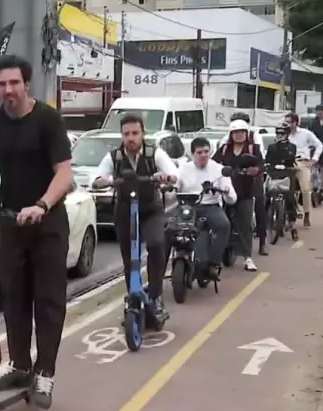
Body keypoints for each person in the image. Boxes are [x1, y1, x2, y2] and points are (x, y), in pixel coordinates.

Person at [0, 54, 74, 410]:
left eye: (14, 83)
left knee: (48, 301)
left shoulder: (47, 120)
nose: (8, 90)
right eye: (2, 84)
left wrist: (42, 205)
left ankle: (44, 373)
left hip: (47, 222)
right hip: (10, 222)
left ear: (26, 84)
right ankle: (20, 366)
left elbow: (64, 174)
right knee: (13, 297)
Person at [91, 114, 178, 321]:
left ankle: (155, 295)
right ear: (121, 135)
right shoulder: (114, 157)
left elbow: (174, 173)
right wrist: (103, 181)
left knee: (157, 244)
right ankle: (133, 298)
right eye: (126, 134)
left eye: (135, 133)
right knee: (130, 258)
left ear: (143, 133)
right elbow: (96, 178)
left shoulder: (154, 154)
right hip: (124, 212)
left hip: (150, 210)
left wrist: (166, 177)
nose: (130, 138)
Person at [177, 137, 237, 279]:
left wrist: (225, 190)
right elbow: (175, 185)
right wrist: (169, 187)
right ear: (193, 154)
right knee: (168, 228)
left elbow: (232, 198)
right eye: (199, 152)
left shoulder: (218, 169)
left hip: (211, 206)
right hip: (189, 207)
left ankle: (213, 264)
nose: (203, 155)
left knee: (224, 225)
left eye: (206, 152)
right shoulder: (184, 169)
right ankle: (163, 266)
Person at [212, 119, 264, 271]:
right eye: (235, 132)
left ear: (246, 133)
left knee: (245, 224)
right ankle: (215, 256)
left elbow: (261, 164)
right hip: (225, 191)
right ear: (231, 134)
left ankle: (248, 258)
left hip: (244, 192)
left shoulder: (252, 148)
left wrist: (255, 170)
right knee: (220, 224)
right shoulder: (224, 149)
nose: (239, 135)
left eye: (242, 132)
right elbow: (213, 164)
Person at [284, 112, 323, 228]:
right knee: (280, 187)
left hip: (302, 162)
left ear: (295, 123)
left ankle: (306, 214)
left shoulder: (306, 134)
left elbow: (319, 145)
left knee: (305, 189)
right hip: (287, 163)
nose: (287, 125)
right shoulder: (283, 134)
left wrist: (314, 160)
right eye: (285, 122)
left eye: (289, 122)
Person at [264, 122, 298, 225]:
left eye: (282, 133)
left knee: (290, 196)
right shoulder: (271, 147)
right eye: (278, 133)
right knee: (265, 195)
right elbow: (268, 160)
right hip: (274, 173)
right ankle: (263, 220)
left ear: (287, 134)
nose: (279, 135)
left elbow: (290, 159)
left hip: (287, 173)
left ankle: (292, 220)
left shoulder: (292, 147)